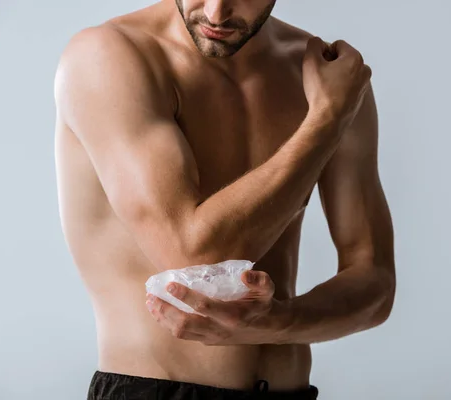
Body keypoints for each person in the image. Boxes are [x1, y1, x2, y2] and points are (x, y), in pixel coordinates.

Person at [53, 0, 396, 398]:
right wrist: (326, 120)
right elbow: (195, 256)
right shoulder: (110, 56)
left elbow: (375, 284)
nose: (216, 13)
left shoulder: (325, 75)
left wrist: (277, 323)